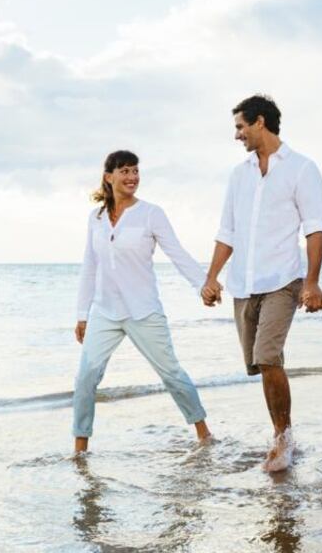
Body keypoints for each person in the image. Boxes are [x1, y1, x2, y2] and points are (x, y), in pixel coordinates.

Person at [201, 94, 322, 472]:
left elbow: (315, 229)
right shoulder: (238, 175)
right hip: (243, 284)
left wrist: (313, 283)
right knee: (259, 364)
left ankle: (283, 439)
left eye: (240, 126)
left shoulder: (303, 169)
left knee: (268, 356)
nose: (237, 135)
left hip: (283, 280)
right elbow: (228, 232)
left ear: (260, 122)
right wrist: (212, 278)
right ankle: (280, 430)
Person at [73, 150, 211, 453]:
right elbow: (89, 266)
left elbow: (176, 252)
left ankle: (204, 434)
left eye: (135, 171)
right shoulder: (95, 217)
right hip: (105, 312)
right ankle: (80, 449)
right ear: (109, 177)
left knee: (172, 374)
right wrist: (83, 314)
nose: (132, 177)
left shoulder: (151, 213)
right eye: (124, 171)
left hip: (143, 310)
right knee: (85, 378)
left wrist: (203, 284)